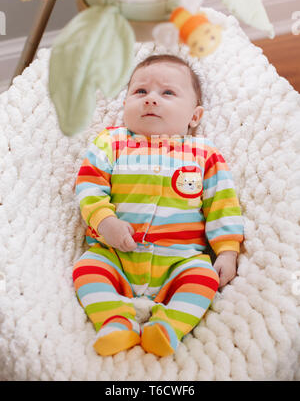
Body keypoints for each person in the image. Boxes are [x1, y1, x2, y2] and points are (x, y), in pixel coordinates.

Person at [73, 54, 244, 357]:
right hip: (114, 253)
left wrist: (227, 250)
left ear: (194, 116)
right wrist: (105, 222)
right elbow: (88, 187)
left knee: (203, 279)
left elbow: (222, 203)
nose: (151, 99)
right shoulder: (111, 143)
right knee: (86, 268)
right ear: (125, 104)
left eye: (167, 93)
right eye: (140, 92)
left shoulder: (203, 154)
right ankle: (114, 320)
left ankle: (168, 327)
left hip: (180, 260)